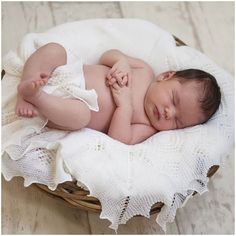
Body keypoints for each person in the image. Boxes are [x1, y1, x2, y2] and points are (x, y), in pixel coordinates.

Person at [15, 43, 221, 145]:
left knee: (81, 116)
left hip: (65, 108)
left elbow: (119, 139)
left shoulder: (147, 127)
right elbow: (108, 55)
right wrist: (120, 62)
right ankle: (28, 86)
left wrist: (125, 107)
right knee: (54, 50)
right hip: (64, 74)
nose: (169, 113)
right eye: (174, 100)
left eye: (177, 121)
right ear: (166, 76)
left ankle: (36, 98)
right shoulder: (144, 71)